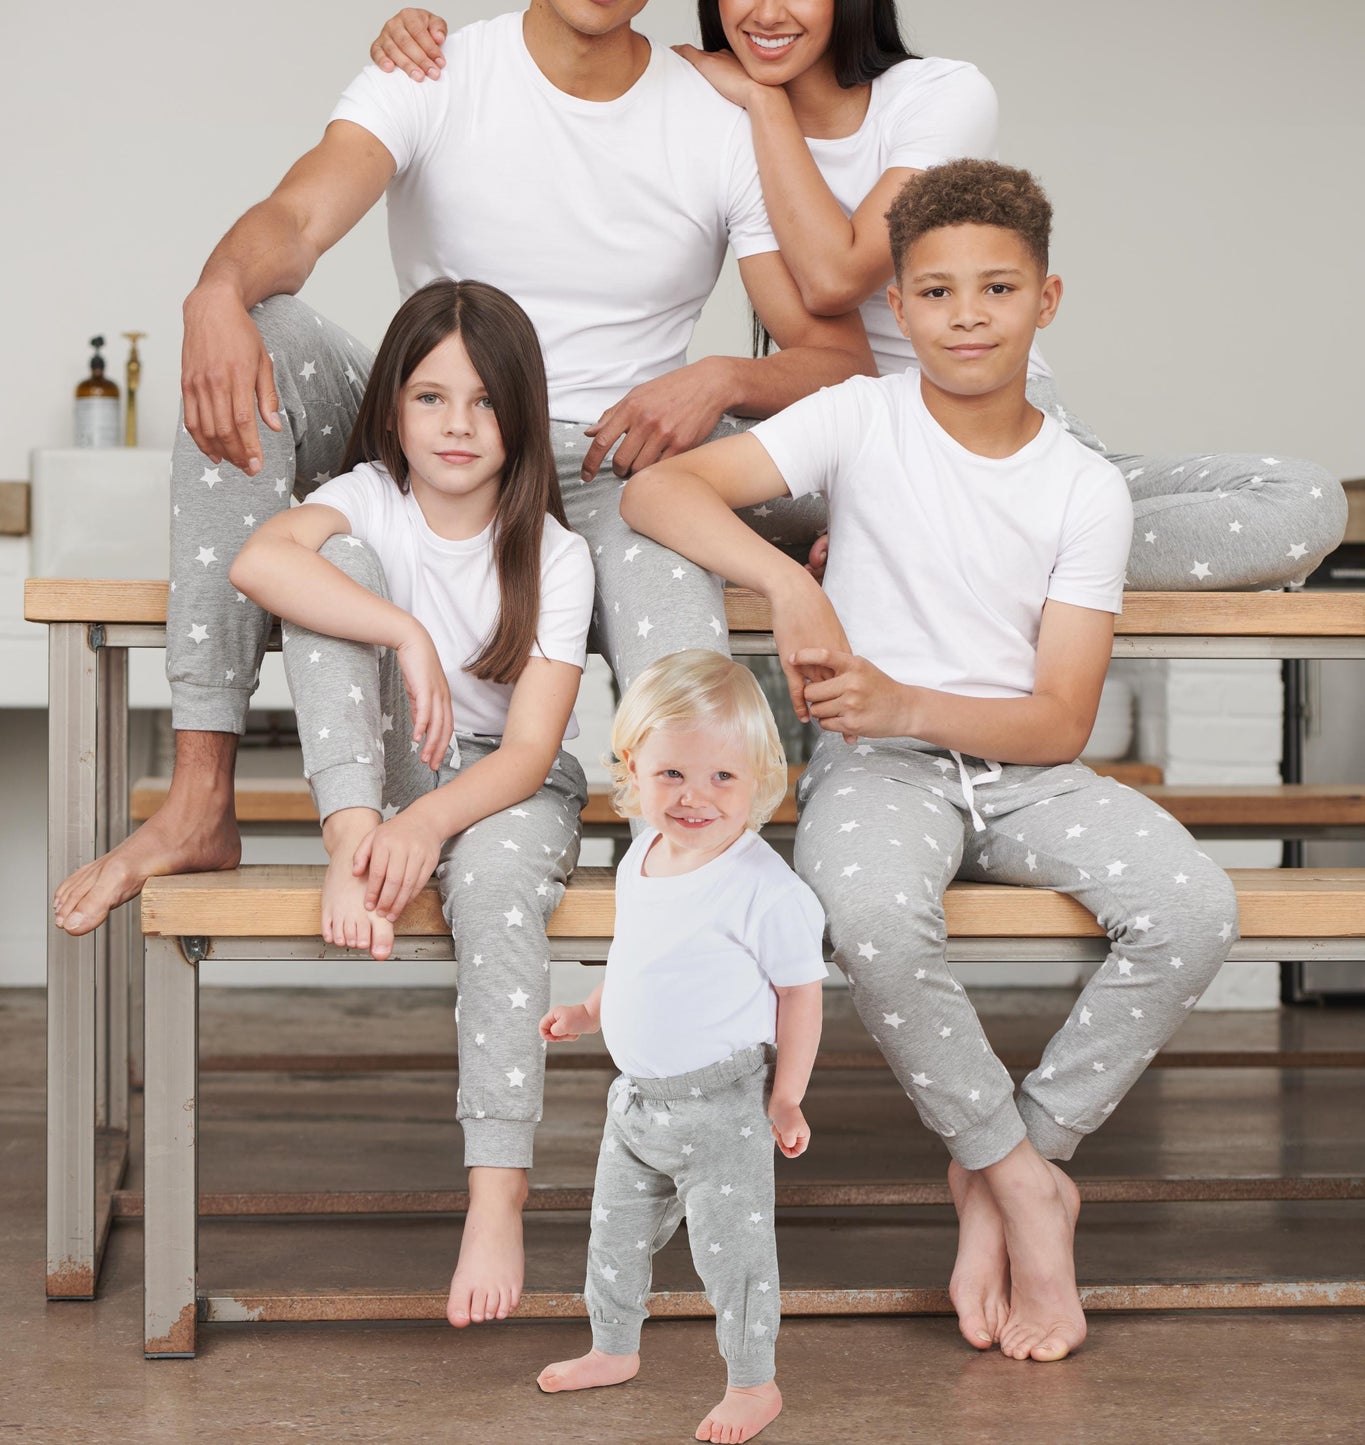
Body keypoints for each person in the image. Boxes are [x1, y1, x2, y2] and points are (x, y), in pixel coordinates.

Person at [51, 0, 872, 932]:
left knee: (676, 552)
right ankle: (200, 796)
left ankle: (696, 896)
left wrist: (718, 375)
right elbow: (298, 214)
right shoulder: (434, 70)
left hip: (618, 461)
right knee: (263, 325)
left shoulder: (714, 114)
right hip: (430, 433)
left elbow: (838, 361)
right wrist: (215, 291)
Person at [619, 160, 1240, 1363]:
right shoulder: (858, 418)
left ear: (1045, 300)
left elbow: (1058, 718)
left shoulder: (1081, 488)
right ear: (896, 308)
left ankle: (1016, 1165)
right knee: (865, 915)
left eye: (996, 288)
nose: (965, 315)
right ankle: (1020, 1186)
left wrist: (904, 690)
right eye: (937, 291)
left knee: (1191, 903)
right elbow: (658, 487)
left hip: (1023, 770)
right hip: (879, 771)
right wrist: (786, 579)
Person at [372, 0, 1346, 588]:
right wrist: (419, 32)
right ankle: (929, 546)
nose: (764, 13)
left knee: (1300, 502)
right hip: (831, 441)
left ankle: (967, 547)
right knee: (671, 495)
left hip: (983, 420)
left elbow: (840, 270)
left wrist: (758, 101)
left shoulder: (937, 95)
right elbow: (555, 64)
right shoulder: (689, 105)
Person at [229, 278, 594, 1327]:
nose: (457, 425)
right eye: (430, 398)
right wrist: (404, 632)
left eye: (484, 402)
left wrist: (430, 821)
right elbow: (259, 559)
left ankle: (497, 1187)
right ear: (392, 405)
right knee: (326, 563)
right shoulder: (370, 500)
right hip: (386, 772)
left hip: (503, 786)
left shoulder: (555, 556)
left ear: (520, 416)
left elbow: (528, 751)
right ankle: (345, 839)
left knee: (490, 890)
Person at [535, 649, 824, 1445]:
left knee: (732, 1253)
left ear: (760, 774)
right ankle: (612, 1345)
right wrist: (591, 1012)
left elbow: (800, 994)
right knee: (613, 1233)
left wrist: (787, 1092)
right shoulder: (642, 856)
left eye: (722, 778)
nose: (694, 797)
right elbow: (639, 958)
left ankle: (751, 1381)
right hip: (634, 1103)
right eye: (671, 775)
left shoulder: (765, 889)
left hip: (721, 1105)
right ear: (633, 765)